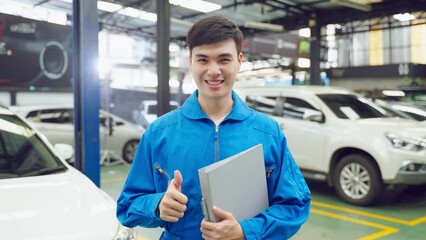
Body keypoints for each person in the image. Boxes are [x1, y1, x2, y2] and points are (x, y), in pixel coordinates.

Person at [117, 16, 311, 240]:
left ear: (239, 60)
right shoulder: (160, 133)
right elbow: (127, 206)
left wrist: (245, 231)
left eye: (223, 59)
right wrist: (158, 204)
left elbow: (295, 205)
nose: (213, 70)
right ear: (190, 61)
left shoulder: (268, 133)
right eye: (203, 60)